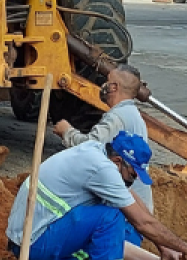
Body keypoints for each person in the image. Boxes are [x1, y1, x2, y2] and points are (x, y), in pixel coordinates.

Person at [6, 131, 187, 260]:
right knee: (111, 218)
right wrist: (184, 247)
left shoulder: (97, 154)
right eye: (133, 174)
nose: (132, 180)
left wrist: (163, 245)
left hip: (28, 237)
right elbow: (143, 222)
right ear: (118, 161)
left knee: (118, 224)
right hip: (35, 242)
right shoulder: (101, 168)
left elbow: (129, 196)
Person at [52, 65, 152, 213]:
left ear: (113, 87)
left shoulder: (117, 118)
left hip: (127, 209)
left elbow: (89, 148)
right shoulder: (132, 114)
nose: (103, 85)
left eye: (107, 81)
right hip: (135, 204)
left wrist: (67, 132)